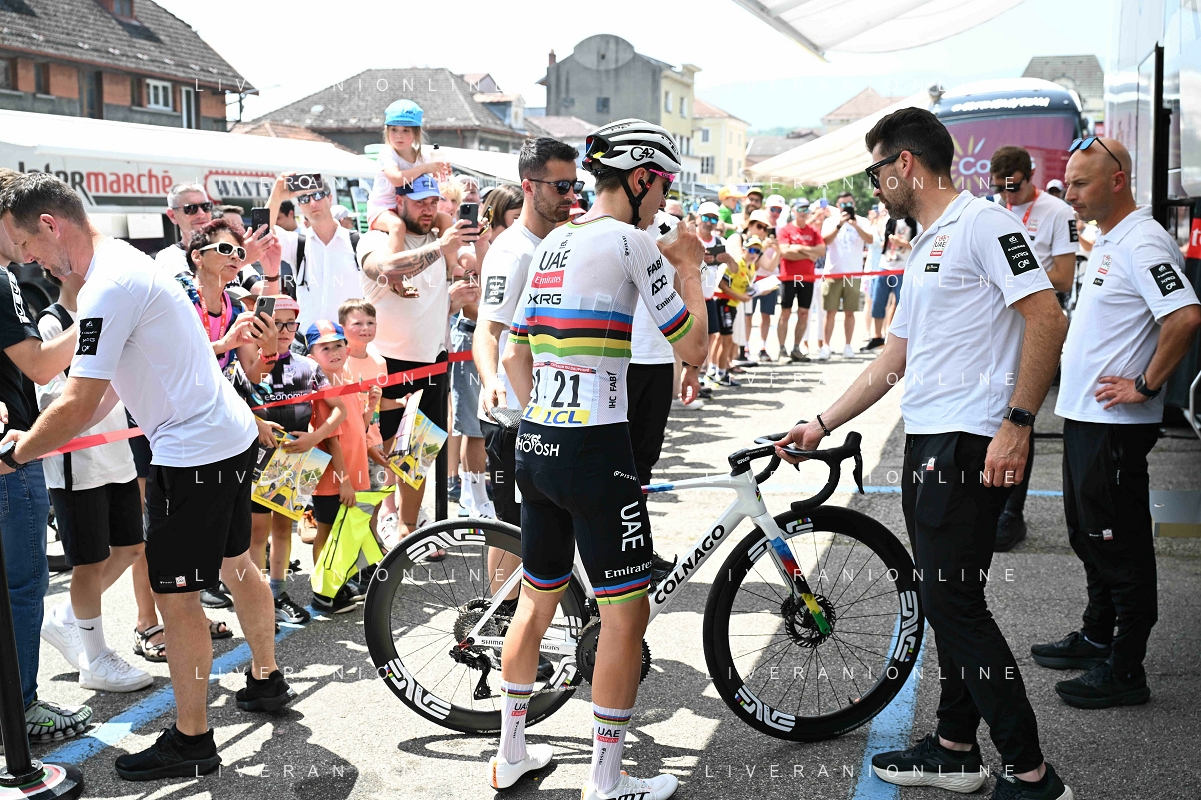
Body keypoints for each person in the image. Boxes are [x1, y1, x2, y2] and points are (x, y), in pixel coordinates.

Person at [777, 108, 1073, 800]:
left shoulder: (983, 224)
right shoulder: (927, 242)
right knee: (951, 601)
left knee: (955, 606)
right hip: (930, 438)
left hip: (967, 441)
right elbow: (895, 358)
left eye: (876, 170)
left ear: (903, 163)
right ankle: (954, 747)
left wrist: (1018, 423)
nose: (874, 183)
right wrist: (820, 422)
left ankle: (1031, 774)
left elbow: (1047, 317)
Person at [0, 173, 294, 780]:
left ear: (51, 225)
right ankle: (266, 679)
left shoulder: (107, 285)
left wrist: (17, 452)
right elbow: (106, 392)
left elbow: (81, 400)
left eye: (26, 245)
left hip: (194, 454)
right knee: (237, 563)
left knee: (175, 598)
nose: (27, 260)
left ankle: (192, 740)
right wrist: (47, 438)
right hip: (221, 437)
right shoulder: (122, 265)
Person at [492, 118, 707, 800]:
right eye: (662, 183)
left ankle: (511, 754)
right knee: (624, 616)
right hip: (595, 447)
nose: (664, 198)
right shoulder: (630, 241)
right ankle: (606, 781)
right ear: (640, 178)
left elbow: (513, 349)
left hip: (538, 440)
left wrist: (545, 409)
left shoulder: (556, 239)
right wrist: (691, 268)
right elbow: (694, 348)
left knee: (536, 602)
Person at [1036, 136, 1201, 709]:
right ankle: (1096, 637)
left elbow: (1185, 317)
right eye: (1068, 183)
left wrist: (1146, 385)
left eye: (1080, 183)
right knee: (1088, 535)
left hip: (1115, 424)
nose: (1070, 194)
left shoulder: (1144, 241)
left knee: (1118, 543)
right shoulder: (1110, 238)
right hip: (1087, 417)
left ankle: (1126, 667)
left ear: (1117, 181)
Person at [0, 168, 94, 744]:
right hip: (11, 458)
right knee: (23, 587)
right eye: (19, 230)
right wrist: (98, 318)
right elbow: (39, 366)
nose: (28, 246)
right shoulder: (0, 277)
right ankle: (22, 708)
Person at [35, 265, 152, 694]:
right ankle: (95, 658)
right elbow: (52, 402)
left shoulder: (109, 317)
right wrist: (112, 386)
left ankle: (68, 617)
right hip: (76, 462)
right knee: (88, 562)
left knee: (131, 547)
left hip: (117, 453)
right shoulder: (52, 324)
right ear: (57, 272)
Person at [357, 172, 480, 538]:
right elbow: (383, 269)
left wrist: (458, 290)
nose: (427, 210)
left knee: (417, 458)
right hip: (385, 365)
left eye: (432, 202)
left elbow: (457, 284)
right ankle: (375, 527)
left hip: (431, 363)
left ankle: (408, 529)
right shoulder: (377, 238)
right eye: (418, 203)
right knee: (379, 456)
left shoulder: (444, 239)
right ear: (398, 203)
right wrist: (440, 247)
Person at [231, 295, 347, 624]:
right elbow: (231, 406)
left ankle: (278, 593)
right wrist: (256, 423)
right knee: (257, 533)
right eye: (274, 323)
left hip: (296, 457)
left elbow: (340, 410)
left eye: (289, 324)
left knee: (284, 529)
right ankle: (256, 598)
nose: (282, 331)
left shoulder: (308, 367)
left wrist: (313, 436)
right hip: (257, 458)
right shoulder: (246, 367)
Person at [988, 145, 1080, 551]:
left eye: (1014, 187)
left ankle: (1013, 512)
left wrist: (1015, 275)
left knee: (1021, 411)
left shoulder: (1057, 212)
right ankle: (990, 502)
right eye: (999, 188)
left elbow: (1064, 277)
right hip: (997, 324)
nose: (1006, 195)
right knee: (993, 407)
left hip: (1035, 321)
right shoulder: (994, 210)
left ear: (1030, 176)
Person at [304, 320, 373, 614]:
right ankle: (323, 593)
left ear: (347, 348)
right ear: (311, 356)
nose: (334, 352)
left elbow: (358, 429)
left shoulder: (346, 382)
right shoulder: (323, 390)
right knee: (327, 531)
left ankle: (337, 584)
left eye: (338, 345)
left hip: (351, 474)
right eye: (325, 348)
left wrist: (371, 407)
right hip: (333, 478)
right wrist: (344, 480)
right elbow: (332, 440)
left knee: (341, 533)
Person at [266, 173, 362, 332]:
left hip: (348, 340)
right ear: (299, 205)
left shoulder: (357, 242)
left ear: (330, 198)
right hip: (306, 341)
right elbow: (262, 233)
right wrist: (276, 196)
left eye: (318, 195)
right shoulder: (297, 243)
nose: (312, 203)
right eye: (304, 198)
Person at [366, 99, 451, 256]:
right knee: (397, 226)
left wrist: (443, 171)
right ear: (386, 131)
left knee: (446, 220)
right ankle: (398, 268)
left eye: (406, 130)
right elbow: (397, 179)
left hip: (409, 209)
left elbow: (435, 184)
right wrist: (426, 168)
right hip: (382, 209)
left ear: (417, 133)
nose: (399, 135)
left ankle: (451, 264)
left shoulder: (423, 156)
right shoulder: (387, 153)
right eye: (394, 130)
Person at [818, 191, 875, 359]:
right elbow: (825, 241)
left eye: (849, 204)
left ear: (854, 204)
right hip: (833, 272)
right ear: (838, 206)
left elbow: (870, 240)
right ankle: (826, 346)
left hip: (854, 274)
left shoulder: (862, 221)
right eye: (842, 204)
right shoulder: (830, 221)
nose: (846, 207)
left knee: (850, 312)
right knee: (830, 312)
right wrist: (839, 225)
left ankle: (848, 346)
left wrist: (855, 225)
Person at [777, 202, 826, 362]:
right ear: (793, 211)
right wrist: (809, 253)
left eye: (806, 209)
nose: (803, 212)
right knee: (785, 313)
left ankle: (796, 348)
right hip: (788, 277)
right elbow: (785, 252)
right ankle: (782, 350)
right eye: (800, 209)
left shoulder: (813, 231)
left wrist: (798, 247)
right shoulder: (785, 230)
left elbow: (821, 251)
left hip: (807, 278)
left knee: (804, 313)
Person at [861, 214, 913, 352]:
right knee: (878, 302)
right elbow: (878, 239)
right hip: (884, 266)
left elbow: (918, 245)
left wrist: (901, 243)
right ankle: (877, 337)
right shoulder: (886, 220)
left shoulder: (914, 221)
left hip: (903, 268)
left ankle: (900, 340)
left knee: (902, 305)